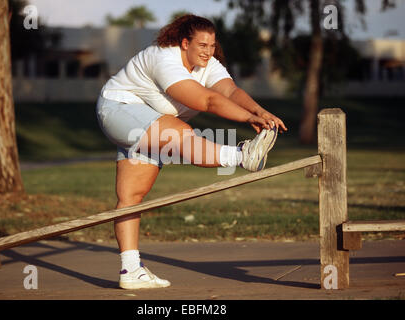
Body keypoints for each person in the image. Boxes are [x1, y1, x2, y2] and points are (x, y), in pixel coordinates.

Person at [96, 14, 287, 290]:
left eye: (212, 45)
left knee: (132, 197)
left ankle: (131, 269)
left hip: (147, 119)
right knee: (180, 133)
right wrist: (248, 120)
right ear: (185, 43)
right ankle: (242, 155)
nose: (208, 51)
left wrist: (259, 112)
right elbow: (208, 100)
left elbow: (230, 92)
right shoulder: (165, 58)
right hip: (118, 109)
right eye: (202, 45)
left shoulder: (208, 65)